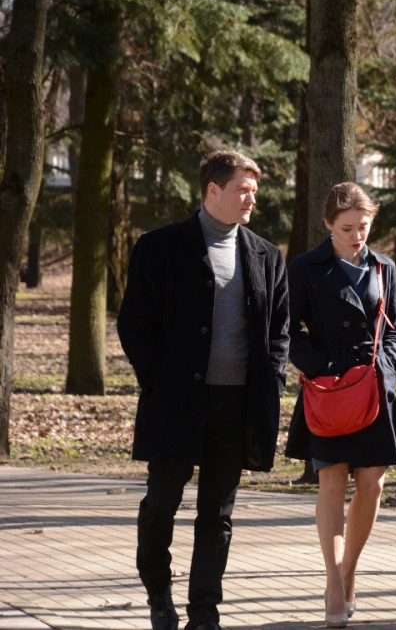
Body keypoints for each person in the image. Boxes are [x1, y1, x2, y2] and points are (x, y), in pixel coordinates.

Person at [117, 150, 290, 630]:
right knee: (161, 502)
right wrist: (156, 378)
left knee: (218, 513)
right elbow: (134, 323)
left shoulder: (266, 255)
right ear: (213, 190)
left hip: (236, 405)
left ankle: (204, 612)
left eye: (254, 190)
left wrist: (272, 380)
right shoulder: (160, 247)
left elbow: (279, 331)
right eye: (242, 189)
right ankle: (158, 592)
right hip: (176, 401)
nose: (251, 198)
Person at [284, 182, 396, 628]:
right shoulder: (305, 267)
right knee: (332, 481)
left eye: (364, 227)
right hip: (329, 388)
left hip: (373, 388)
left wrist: (387, 368)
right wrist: (324, 366)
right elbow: (286, 331)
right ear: (328, 225)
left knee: (372, 485)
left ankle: (349, 571)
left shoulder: (383, 267)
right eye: (347, 228)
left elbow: (393, 329)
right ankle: (334, 584)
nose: (357, 236)